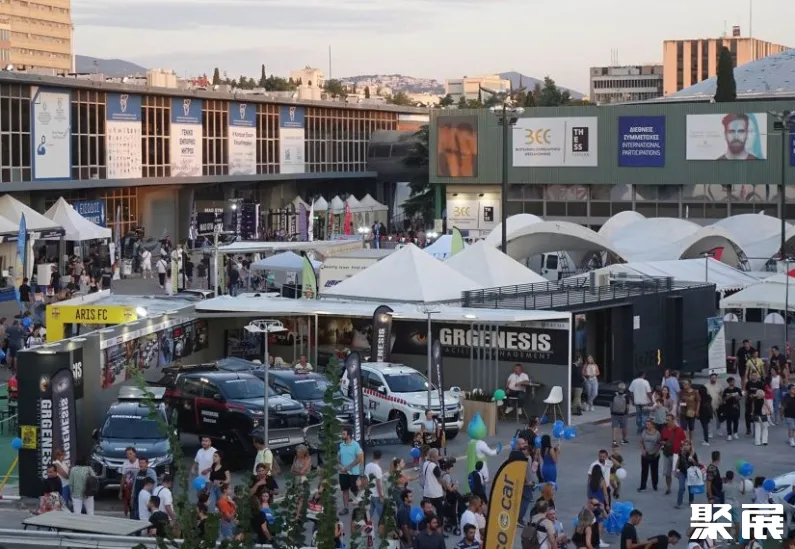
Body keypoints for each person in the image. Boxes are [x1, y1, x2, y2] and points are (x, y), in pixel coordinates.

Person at [338, 426, 364, 515]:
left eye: (344, 434)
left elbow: (359, 459)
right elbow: (338, 458)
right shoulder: (341, 445)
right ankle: (346, 508)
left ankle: (362, 506)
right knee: (345, 490)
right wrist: (340, 466)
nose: (342, 435)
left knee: (355, 490)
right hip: (342, 472)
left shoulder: (356, 445)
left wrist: (348, 467)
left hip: (353, 473)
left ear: (349, 435)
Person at [660, 413, 686, 495]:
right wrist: (663, 442)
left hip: (676, 454)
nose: (667, 421)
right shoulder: (664, 430)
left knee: (678, 473)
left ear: (673, 421)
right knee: (667, 473)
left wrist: (683, 450)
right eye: (666, 420)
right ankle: (668, 488)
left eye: (669, 420)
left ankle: (681, 487)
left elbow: (684, 441)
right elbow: (661, 440)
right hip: (666, 454)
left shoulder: (679, 430)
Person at [675, 440, 700, 509]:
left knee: (691, 488)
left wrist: (693, 460)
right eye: (684, 445)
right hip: (682, 472)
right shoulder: (681, 452)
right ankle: (679, 503)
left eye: (687, 445)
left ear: (690, 446)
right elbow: (678, 460)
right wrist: (676, 470)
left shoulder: (693, 454)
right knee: (681, 488)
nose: (685, 446)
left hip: (691, 472)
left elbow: (697, 464)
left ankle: (691, 501)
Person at [365, 449, 385, 531]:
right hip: (376, 495)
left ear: (373, 456)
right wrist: (381, 496)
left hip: (369, 493)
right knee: (382, 514)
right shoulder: (378, 469)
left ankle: (366, 527)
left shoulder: (367, 465)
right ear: (380, 457)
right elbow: (378, 484)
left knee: (369, 513)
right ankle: (382, 530)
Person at [638, 419, 661, 492]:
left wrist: (657, 451)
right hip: (645, 454)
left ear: (652, 425)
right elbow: (641, 442)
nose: (647, 426)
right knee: (644, 471)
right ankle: (643, 486)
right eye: (646, 424)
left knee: (654, 471)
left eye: (648, 424)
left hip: (654, 454)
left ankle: (655, 485)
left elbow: (659, 443)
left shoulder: (657, 433)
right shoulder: (644, 432)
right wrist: (643, 450)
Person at [722, 470, 746, 538]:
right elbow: (743, 492)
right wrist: (743, 482)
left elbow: (720, 491)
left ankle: (728, 537)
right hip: (735, 504)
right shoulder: (737, 485)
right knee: (736, 522)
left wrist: (723, 481)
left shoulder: (724, 485)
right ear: (733, 477)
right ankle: (736, 536)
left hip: (727, 504)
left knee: (728, 522)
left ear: (726, 477)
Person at [422, 449, 445, 517]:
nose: (438, 457)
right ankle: (440, 526)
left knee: (427, 513)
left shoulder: (425, 463)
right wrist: (447, 486)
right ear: (434, 457)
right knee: (440, 513)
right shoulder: (434, 466)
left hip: (426, 493)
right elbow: (440, 479)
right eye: (437, 456)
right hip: (436, 494)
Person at [118, 447, 138, 517]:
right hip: (127, 486)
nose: (129, 455)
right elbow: (123, 477)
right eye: (127, 454)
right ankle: (129, 513)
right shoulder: (125, 463)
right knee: (127, 501)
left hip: (136, 485)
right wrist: (120, 491)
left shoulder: (138, 462)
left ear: (134, 454)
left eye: (130, 454)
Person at [744, 372, 765, 437]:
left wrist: (756, 395)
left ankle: (757, 430)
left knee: (758, 415)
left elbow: (762, 393)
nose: (754, 377)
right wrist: (746, 399)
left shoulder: (760, 383)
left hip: (758, 401)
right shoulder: (749, 383)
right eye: (753, 375)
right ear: (751, 376)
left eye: (755, 375)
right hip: (749, 401)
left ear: (757, 376)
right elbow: (747, 391)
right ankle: (748, 429)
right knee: (747, 414)